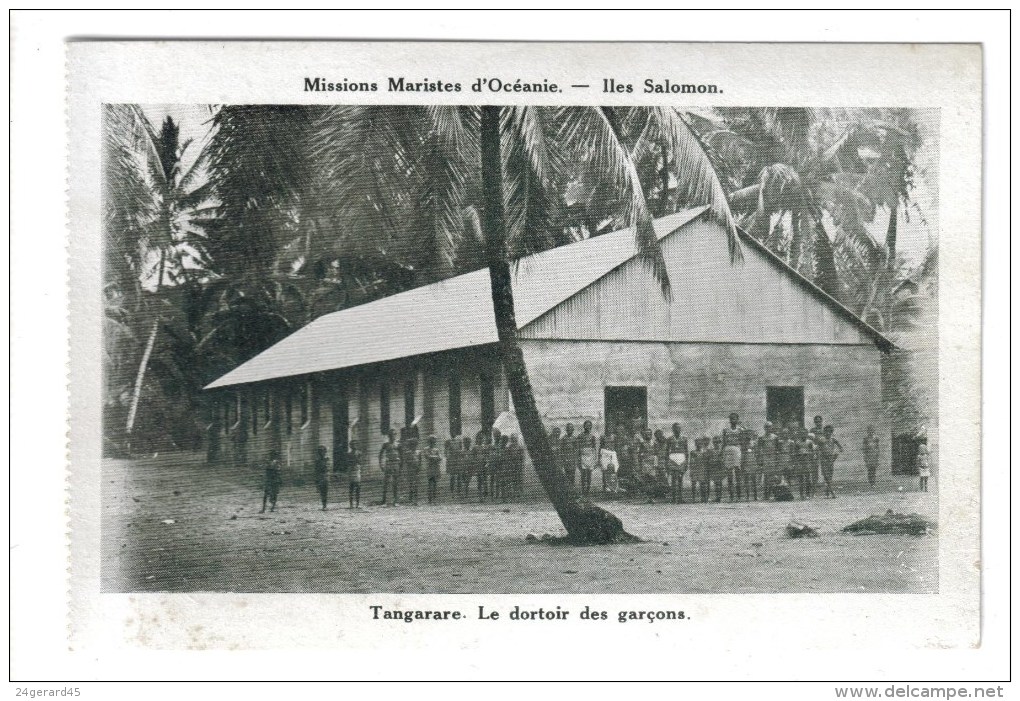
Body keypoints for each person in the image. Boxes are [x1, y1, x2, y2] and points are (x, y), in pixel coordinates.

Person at [721, 413, 746, 502]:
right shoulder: (725, 430)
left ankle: (739, 496)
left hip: (737, 450)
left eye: (734, 419)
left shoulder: (741, 430)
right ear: (729, 420)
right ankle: (731, 496)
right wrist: (722, 454)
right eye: (731, 419)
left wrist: (743, 455)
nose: (733, 420)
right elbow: (723, 443)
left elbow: (743, 442)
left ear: (737, 419)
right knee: (729, 475)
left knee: (738, 474)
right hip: (728, 450)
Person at [666, 423, 689, 504]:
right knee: (673, 479)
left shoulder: (684, 438)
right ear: (673, 429)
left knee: (680, 479)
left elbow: (686, 451)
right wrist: (667, 463)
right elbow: (667, 451)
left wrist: (686, 463)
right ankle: (673, 498)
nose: (677, 430)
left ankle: (680, 498)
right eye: (675, 428)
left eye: (679, 428)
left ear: (680, 429)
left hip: (681, 458)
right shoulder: (669, 439)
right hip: (672, 458)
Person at [816, 425, 842, 498]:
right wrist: (818, 455)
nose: (827, 433)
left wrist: (836, 454)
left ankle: (827, 492)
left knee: (830, 476)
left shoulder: (833, 439)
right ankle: (832, 493)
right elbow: (818, 448)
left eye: (829, 432)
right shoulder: (821, 440)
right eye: (826, 432)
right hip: (823, 459)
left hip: (831, 459)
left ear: (831, 432)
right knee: (826, 476)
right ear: (824, 432)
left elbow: (840, 448)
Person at [757, 422, 779, 500]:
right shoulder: (762, 438)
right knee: (766, 477)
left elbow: (777, 448)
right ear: (764, 428)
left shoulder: (775, 437)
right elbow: (759, 449)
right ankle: (766, 494)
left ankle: (773, 493)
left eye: (769, 427)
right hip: (765, 458)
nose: (768, 428)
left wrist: (777, 458)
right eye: (766, 427)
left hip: (773, 458)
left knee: (773, 477)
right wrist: (760, 459)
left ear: (772, 428)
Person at [378, 429, 401, 505]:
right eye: (391, 434)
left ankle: (396, 501)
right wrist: (381, 464)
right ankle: (384, 500)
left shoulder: (398, 444)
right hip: (388, 463)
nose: (392, 436)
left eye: (394, 434)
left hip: (396, 463)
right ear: (388, 436)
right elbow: (381, 454)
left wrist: (401, 465)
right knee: (386, 482)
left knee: (396, 483)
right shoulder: (386, 444)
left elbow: (401, 455)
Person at [793, 429, 815, 500]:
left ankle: (808, 494)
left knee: (808, 479)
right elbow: (795, 454)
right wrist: (798, 457)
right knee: (801, 479)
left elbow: (812, 452)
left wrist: (808, 454)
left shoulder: (809, 442)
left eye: (805, 433)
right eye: (802, 434)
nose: (803, 435)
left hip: (807, 462)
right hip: (800, 463)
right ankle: (801, 494)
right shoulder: (797, 443)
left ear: (807, 434)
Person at [578, 420, 598, 496]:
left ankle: (588, 490)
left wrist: (595, 458)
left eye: (589, 425)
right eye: (586, 425)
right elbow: (578, 447)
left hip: (590, 455)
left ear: (591, 427)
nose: (588, 427)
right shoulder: (580, 436)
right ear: (584, 426)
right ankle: (583, 490)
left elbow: (594, 447)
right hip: (583, 455)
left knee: (589, 473)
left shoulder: (592, 436)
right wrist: (579, 458)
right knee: (583, 474)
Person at [260, 449, 283, 513]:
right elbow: (266, 469)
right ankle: (265, 508)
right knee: (267, 494)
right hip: (271, 480)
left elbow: (277, 471)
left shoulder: (276, 462)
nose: (272, 456)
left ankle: (270, 508)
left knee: (273, 494)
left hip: (274, 480)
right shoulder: (270, 462)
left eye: (273, 455)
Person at [423, 434, 443, 504]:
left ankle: (434, 499)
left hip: (436, 467)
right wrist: (435, 457)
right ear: (429, 441)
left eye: (434, 441)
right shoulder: (426, 449)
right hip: (430, 467)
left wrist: (433, 457)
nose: (433, 442)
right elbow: (427, 456)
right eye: (431, 441)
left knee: (435, 483)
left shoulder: (436, 449)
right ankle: (429, 499)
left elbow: (440, 457)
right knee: (430, 483)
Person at [689, 437, 708, 503]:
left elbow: (706, 462)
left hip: (702, 469)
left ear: (702, 444)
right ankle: (693, 498)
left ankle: (703, 498)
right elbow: (691, 462)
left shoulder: (704, 452)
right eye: (697, 443)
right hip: (695, 469)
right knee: (693, 484)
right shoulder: (693, 452)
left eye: (700, 443)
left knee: (702, 484)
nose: (699, 445)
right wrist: (691, 471)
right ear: (695, 444)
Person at [600, 428, 619, 493]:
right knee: (605, 470)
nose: (609, 429)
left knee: (614, 469)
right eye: (608, 428)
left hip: (612, 453)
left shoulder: (614, 436)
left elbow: (616, 445)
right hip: (605, 453)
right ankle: (605, 487)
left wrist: (615, 453)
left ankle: (614, 486)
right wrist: (599, 457)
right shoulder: (602, 437)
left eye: (610, 428)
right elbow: (601, 446)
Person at [507, 434, 525, 500]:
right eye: (512, 439)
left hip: (518, 465)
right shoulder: (509, 447)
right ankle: (514, 493)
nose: (514, 440)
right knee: (513, 479)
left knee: (519, 479)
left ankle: (519, 493)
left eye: (515, 438)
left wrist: (522, 465)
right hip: (512, 465)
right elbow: (508, 457)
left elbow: (522, 457)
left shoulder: (520, 447)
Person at [707, 436, 725, 503]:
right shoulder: (711, 451)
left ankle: (719, 497)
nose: (717, 443)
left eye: (718, 442)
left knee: (719, 483)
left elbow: (723, 459)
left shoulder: (722, 450)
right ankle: (718, 497)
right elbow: (710, 460)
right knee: (716, 483)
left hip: (720, 468)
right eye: (715, 442)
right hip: (714, 468)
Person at [313, 445, 330, 510]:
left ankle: (325, 505)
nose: (323, 453)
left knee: (325, 491)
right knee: (322, 492)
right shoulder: (317, 461)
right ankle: (324, 505)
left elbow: (328, 468)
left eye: (323, 451)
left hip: (326, 476)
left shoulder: (327, 459)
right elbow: (316, 470)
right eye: (321, 452)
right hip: (320, 477)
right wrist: (316, 481)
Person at [348, 439, 362, 508]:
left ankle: (357, 503)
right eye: (352, 444)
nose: (354, 446)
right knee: (351, 487)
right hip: (351, 470)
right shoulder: (349, 454)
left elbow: (360, 461)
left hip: (357, 470)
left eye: (355, 444)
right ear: (350, 446)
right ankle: (351, 504)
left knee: (358, 487)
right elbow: (348, 462)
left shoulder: (359, 453)